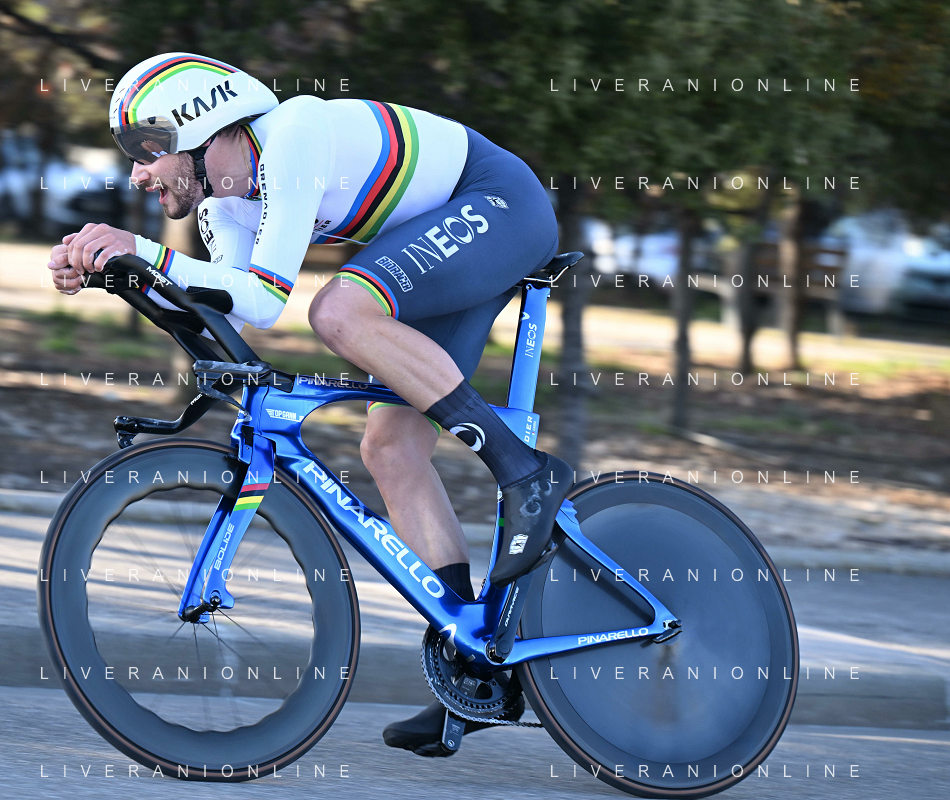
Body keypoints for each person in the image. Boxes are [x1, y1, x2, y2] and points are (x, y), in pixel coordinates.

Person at [46, 52, 574, 757]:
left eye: (147, 147)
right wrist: (120, 272)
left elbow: (268, 296)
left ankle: (525, 472)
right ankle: (475, 655)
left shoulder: (291, 134)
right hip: (439, 238)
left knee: (339, 311)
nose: (138, 173)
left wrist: (140, 247)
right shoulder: (225, 207)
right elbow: (233, 313)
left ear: (202, 127)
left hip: (498, 203)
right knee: (389, 448)